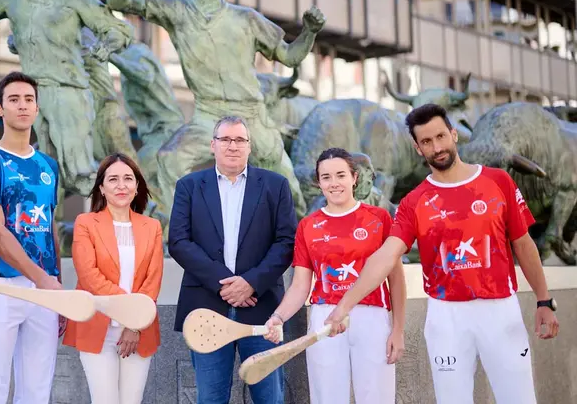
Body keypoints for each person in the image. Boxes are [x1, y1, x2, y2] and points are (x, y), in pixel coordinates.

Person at [324, 104, 560, 404]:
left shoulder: (498, 181)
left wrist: (544, 300)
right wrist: (344, 306)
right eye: (426, 142)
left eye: (440, 137)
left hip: (500, 310)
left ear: (453, 134)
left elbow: (524, 244)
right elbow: (385, 257)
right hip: (445, 316)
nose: (436, 147)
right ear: (417, 148)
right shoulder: (414, 201)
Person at [107, 0, 328, 221]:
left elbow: (289, 56)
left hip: (251, 117)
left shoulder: (247, 19)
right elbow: (116, 3)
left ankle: (303, 236)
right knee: (170, 160)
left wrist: (309, 32)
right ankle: (180, 232)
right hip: (208, 115)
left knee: (286, 186)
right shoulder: (177, 9)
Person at [0, 0, 133, 197]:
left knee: (78, 171)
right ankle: (48, 228)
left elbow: (117, 29)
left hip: (68, 90)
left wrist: (107, 44)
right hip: (33, 96)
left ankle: (129, 216)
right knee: (46, 174)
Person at [167, 115, 297, 404]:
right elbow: (178, 241)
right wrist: (224, 284)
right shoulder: (189, 186)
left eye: (240, 140)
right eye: (225, 139)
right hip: (206, 309)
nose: (232, 146)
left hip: (262, 309)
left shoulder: (275, 186)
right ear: (213, 145)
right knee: (211, 398)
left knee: (270, 398)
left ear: (250, 147)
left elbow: (287, 241)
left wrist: (251, 283)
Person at [263, 147, 406, 404]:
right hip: (324, 319)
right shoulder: (308, 226)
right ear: (319, 183)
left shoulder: (379, 218)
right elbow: (299, 286)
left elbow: (395, 279)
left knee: (377, 398)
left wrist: (398, 330)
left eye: (340, 175)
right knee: (327, 397)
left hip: (372, 317)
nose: (334, 183)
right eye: (326, 177)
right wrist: (278, 317)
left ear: (354, 177)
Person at [0, 71, 67, 404]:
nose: (22, 106)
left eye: (28, 100)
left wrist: (56, 284)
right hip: (0, 287)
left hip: (44, 289)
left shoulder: (48, 166)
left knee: (38, 387)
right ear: (0, 109)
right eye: (14, 100)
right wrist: (41, 279)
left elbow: (50, 226)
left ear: (37, 108)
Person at [63, 152, 164, 404]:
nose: (121, 185)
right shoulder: (86, 223)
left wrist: (134, 324)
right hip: (97, 326)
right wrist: (130, 312)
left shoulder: (151, 227)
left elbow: (153, 280)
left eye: (128, 178)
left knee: (132, 401)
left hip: (139, 330)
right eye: (113, 179)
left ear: (137, 186)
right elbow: (89, 277)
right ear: (102, 187)